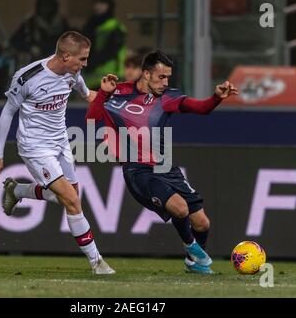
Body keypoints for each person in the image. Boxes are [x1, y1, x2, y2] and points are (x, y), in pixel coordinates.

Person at [85, 50, 238, 274]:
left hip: (165, 167)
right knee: (180, 208)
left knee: (202, 223)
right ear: (146, 74)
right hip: (138, 170)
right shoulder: (117, 93)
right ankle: (191, 247)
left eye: (168, 77)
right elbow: (91, 121)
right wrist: (102, 95)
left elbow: (201, 108)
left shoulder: (168, 98)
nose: (166, 82)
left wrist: (216, 97)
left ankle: (192, 263)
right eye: (161, 77)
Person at [0, 31, 115, 275]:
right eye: (82, 59)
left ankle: (17, 189)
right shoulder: (28, 77)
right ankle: (97, 262)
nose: (85, 64)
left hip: (61, 143)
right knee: (71, 199)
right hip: (35, 147)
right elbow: (7, 113)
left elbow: (88, 96)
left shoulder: (73, 72)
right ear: (66, 56)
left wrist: (106, 92)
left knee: (69, 198)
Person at [10, 0, 69, 67]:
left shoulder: (61, 23)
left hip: (55, 59)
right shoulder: (31, 22)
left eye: (47, 5)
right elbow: (15, 41)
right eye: (43, 5)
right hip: (36, 59)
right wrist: (30, 48)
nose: (45, 8)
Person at [82, 0, 126, 89]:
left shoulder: (115, 26)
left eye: (102, 3)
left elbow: (111, 50)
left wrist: (92, 62)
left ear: (109, 6)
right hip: (91, 78)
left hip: (111, 77)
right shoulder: (90, 25)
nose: (97, 6)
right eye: (96, 3)